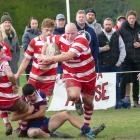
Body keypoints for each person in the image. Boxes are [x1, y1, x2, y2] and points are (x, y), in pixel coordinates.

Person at [39, 23, 97, 130]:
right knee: (74, 95)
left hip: (88, 75)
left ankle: (86, 125)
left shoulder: (81, 40)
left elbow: (68, 55)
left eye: (72, 33)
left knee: (88, 102)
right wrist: (43, 55)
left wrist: (49, 59)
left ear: (77, 32)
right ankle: (77, 101)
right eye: (67, 33)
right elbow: (47, 41)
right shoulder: (61, 38)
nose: (69, 36)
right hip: (71, 73)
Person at [15, 83, 105, 139]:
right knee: (35, 132)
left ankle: (88, 131)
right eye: (30, 97)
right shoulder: (20, 101)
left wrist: (27, 116)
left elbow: (41, 113)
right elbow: (12, 117)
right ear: (25, 96)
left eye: (34, 95)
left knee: (66, 113)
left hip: (45, 123)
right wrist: (28, 113)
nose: (33, 98)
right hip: (31, 128)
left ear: (35, 91)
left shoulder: (41, 94)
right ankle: (55, 136)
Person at [15, 18, 58, 100]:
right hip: (35, 77)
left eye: (51, 31)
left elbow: (64, 58)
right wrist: (17, 74)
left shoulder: (57, 41)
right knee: (25, 100)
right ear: (41, 29)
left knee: (42, 102)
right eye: (47, 30)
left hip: (49, 79)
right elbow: (26, 60)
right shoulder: (34, 41)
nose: (49, 33)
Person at [0, 44, 33, 135]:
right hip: (11, 101)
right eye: (1, 50)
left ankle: (7, 124)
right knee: (28, 109)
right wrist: (14, 84)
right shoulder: (4, 64)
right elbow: (10, 75)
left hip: (1, 102)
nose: (3, 52)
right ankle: (22, 129)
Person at [97, 17, 126, 109]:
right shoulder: (98, 35)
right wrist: (102, 49)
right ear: (103, 25)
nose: (108, 26)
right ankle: (105, 105)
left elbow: (123, 49)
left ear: (112, 25)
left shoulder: (117, 35)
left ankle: (117, 104)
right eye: (106, 24)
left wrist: (119, 62)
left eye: (109, 24)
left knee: (116, 85)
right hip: (102, 66)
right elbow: (94, 50)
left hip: (115, 66)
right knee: (103, 85)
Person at [119, 10, 140, 108]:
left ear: (136, 19)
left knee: (136, 80)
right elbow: (118, 43)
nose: (132, 20)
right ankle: (121, 100)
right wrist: (131, 45)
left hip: (137, 59)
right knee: (124, 80)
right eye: (130, 18)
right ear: (127, 19)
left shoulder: (139, 28)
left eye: (133, 18)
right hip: (126, 59)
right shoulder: (122, 28)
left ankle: (136, 101)